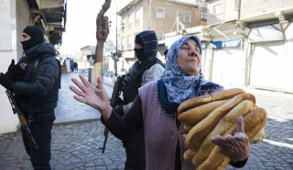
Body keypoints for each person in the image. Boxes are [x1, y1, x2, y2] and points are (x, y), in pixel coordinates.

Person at [70, 35, 250, 170]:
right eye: (186, 47)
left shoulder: (215, 94)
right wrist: (106, 109)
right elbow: (125, 131)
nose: (194, 51)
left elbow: (228, 150)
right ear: (172, 56)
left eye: (197, 49)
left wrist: (240, 156)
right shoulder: (149, 93)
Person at [0, 26, 61, 170]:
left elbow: (40, 88)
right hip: (25, 115)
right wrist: (12, 74)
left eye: (24, 36)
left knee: (41, 160)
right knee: (32, 154)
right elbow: (20, 82)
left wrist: (13, 84)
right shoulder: (26, 58)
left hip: (40, 118)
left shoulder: (49, 61)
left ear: (34, 38)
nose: (21, 40)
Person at [114, 30, 164, 170]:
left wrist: (122, 109)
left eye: (139, 45)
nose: (136, 48)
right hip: (132, 122)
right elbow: (129, 79)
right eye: (135, 44)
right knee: (130, 157)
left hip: (144, 126)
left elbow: (146, 100)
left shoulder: (155, 68)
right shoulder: (139, 64)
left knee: (138, 161)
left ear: (149, 46)